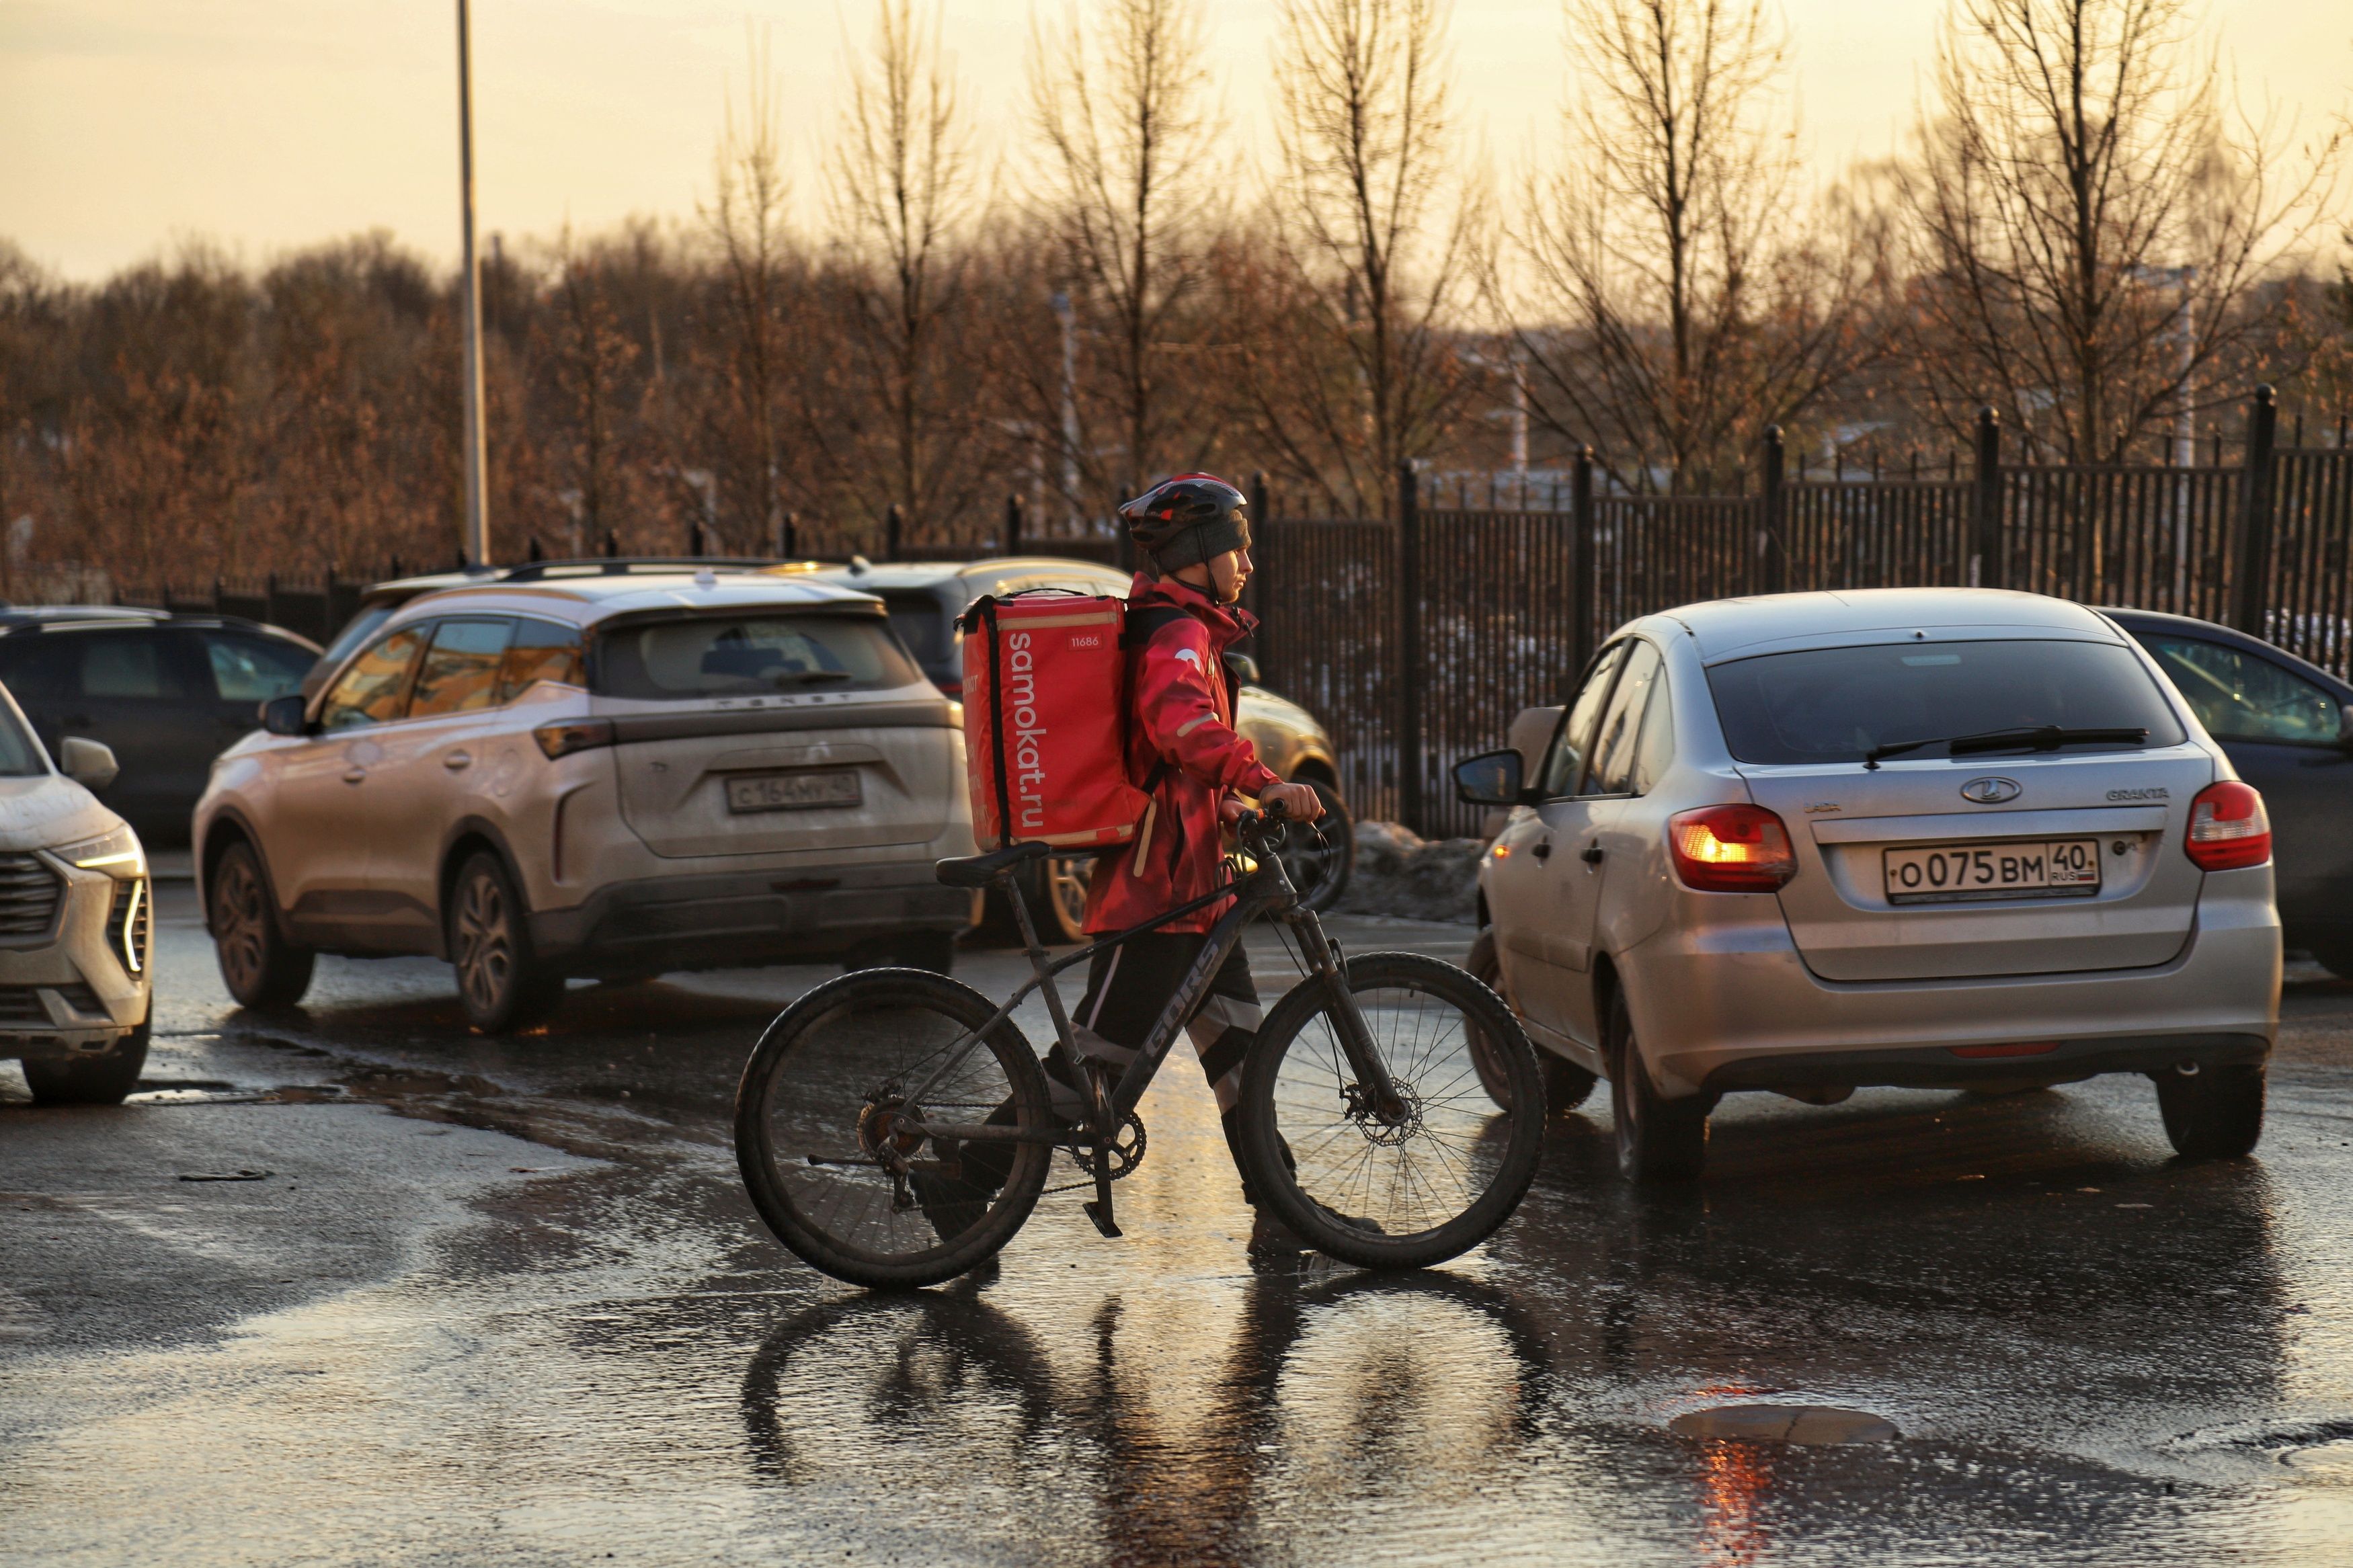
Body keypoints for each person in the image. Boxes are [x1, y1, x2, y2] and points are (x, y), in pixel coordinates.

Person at [1053, 473, 1327, 1252]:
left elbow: (1171, 769)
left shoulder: (1186, 627)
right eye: (1238, 547)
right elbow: (1179, 729)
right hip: (1157, 890)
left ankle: (1284, 1215)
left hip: (1194, 882)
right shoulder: (1174, 632)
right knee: (1092, 1062)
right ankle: (964, 1174)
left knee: (1240, 1052)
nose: (1248, 562)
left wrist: (1233, 809)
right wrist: (1264, 779)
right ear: (1201, 552)